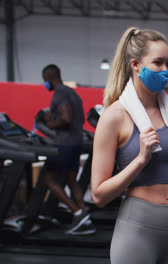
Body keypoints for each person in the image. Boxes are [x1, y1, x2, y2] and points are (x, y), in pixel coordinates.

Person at [91, 27, 168, 264]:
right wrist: (140, 160)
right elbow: (99, 196)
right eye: (158, 63)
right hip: (138, 230)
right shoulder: (114, 117)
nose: (166, 71)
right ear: (136, 65)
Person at [41, 64, 96, 235]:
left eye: (45, 81)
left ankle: (77, 213)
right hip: (76, 142)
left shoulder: (60, 93)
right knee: (72, 180)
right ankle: (85, 216)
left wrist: (50, 123)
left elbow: (66, 118)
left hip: (63, 143)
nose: (45, 84)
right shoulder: (73, 93)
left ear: (49, 77)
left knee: (49, 180)